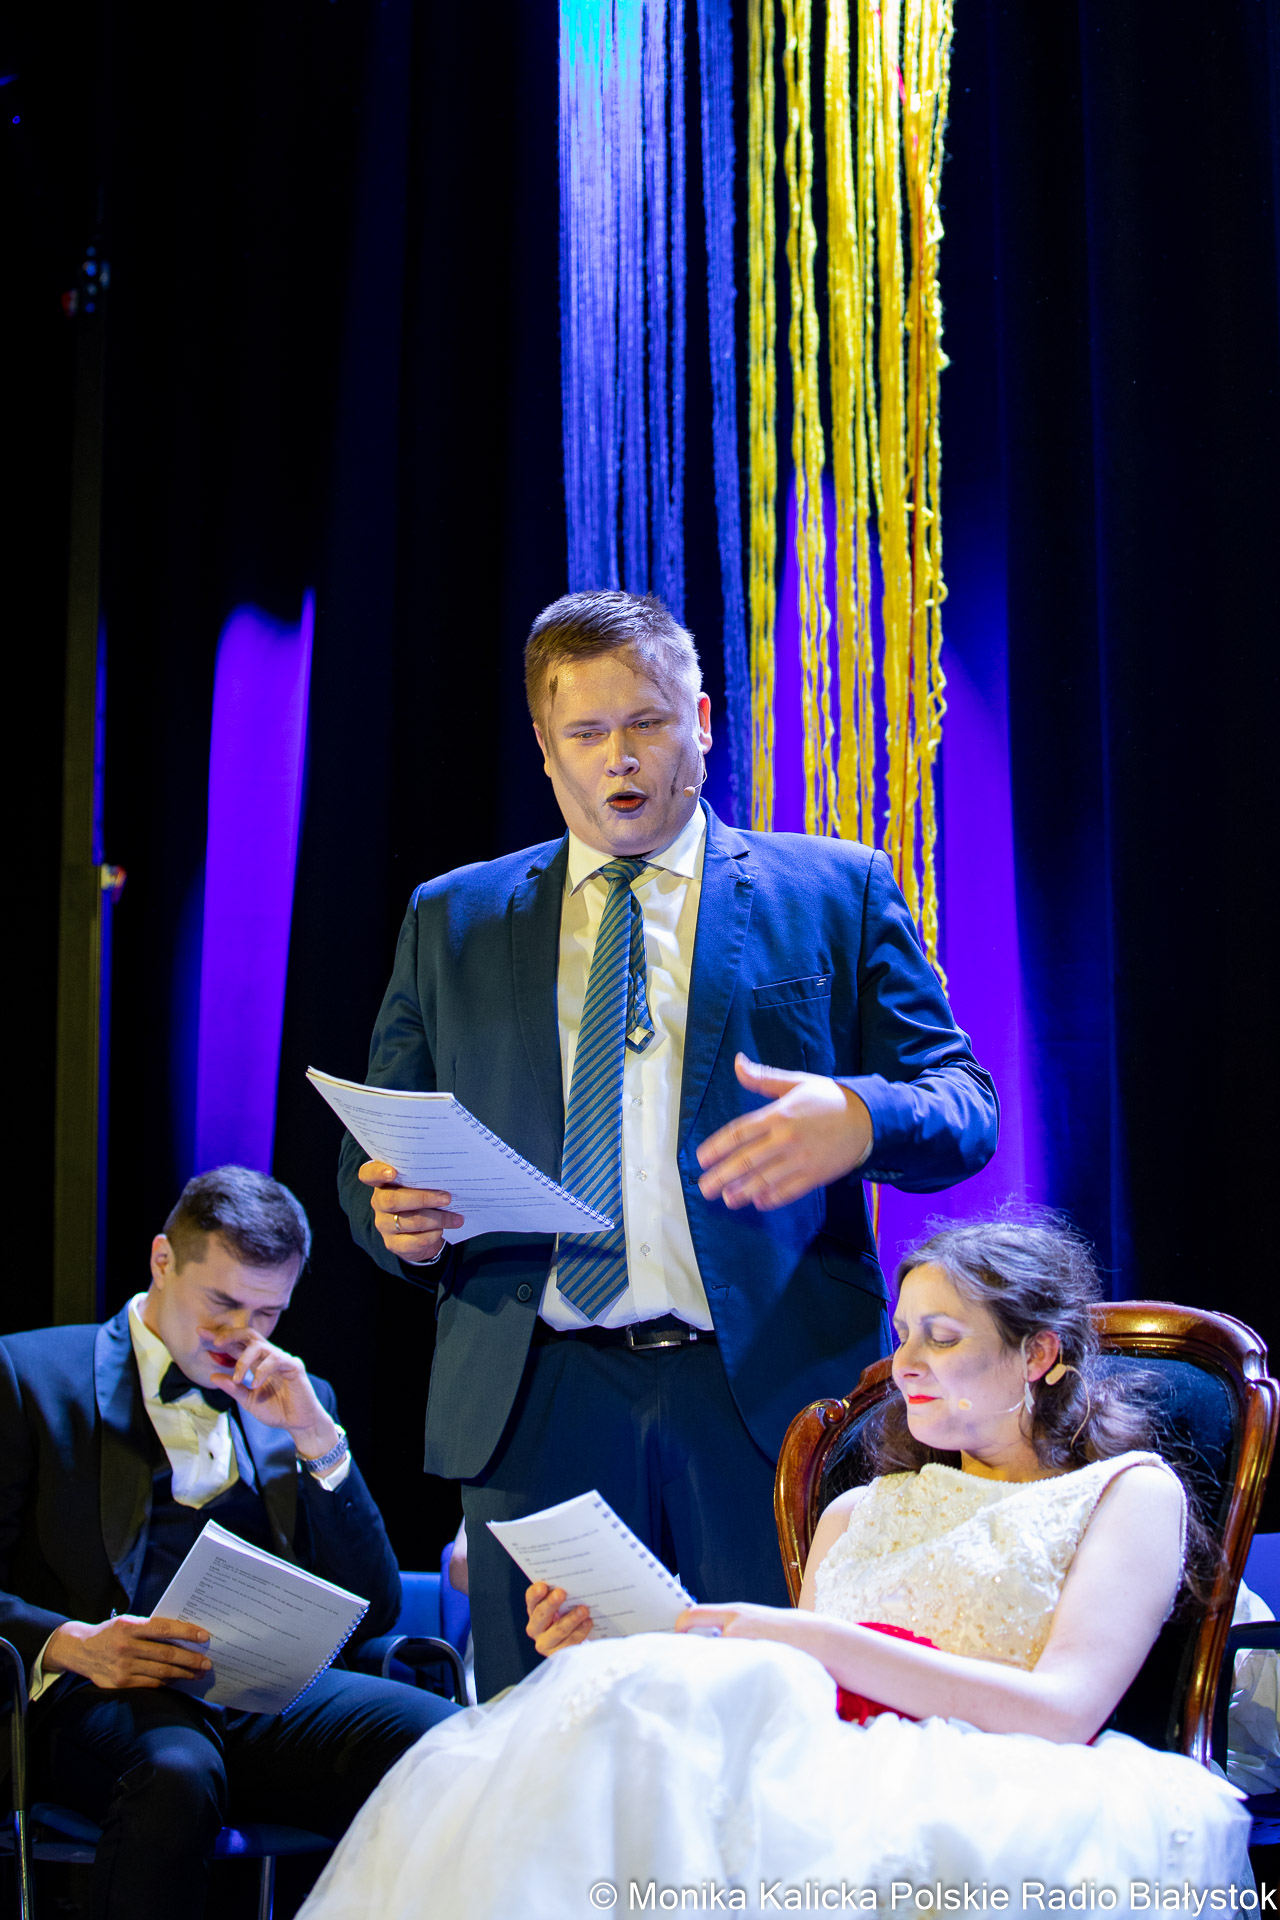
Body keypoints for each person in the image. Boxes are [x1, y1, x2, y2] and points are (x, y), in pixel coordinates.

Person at [338, 590, 999, 1696]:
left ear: (699, 719)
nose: (620, 758)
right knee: (558, 1742)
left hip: (763, 1397)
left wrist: (858, 1118)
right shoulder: (452, 919)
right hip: (538, 1400)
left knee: (776, 1727)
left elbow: (964, 1104)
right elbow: (376, 1150)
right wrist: (393, 1219)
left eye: (646, 722)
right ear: (544, 749)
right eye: (586, 733)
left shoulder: (830, 890)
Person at [296, 1219, 1251, 1919]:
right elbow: (787, 1686)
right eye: (904, 1334)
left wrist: (799, 1634)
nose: (906, 1364)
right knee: (598, 1715)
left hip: (996, 1778)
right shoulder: (859, 1507)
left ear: (1037, 1353)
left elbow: (1061, 1710)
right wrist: (618, 1635)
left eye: (943, 1337)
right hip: (818, 1758)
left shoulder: (1126, 1493)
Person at [0, 1166, 460, 1920]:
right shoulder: (32, 1375)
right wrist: (71, 1644)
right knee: (177, 1772)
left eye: (267, 1312)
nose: (241, 1334)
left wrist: (317, 1439)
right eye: (221, 1303)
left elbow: (373, 1610)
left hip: (256, 1696)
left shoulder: (294, 1399)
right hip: (101, 1697)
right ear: (162, 1260)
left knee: (444, 1743)